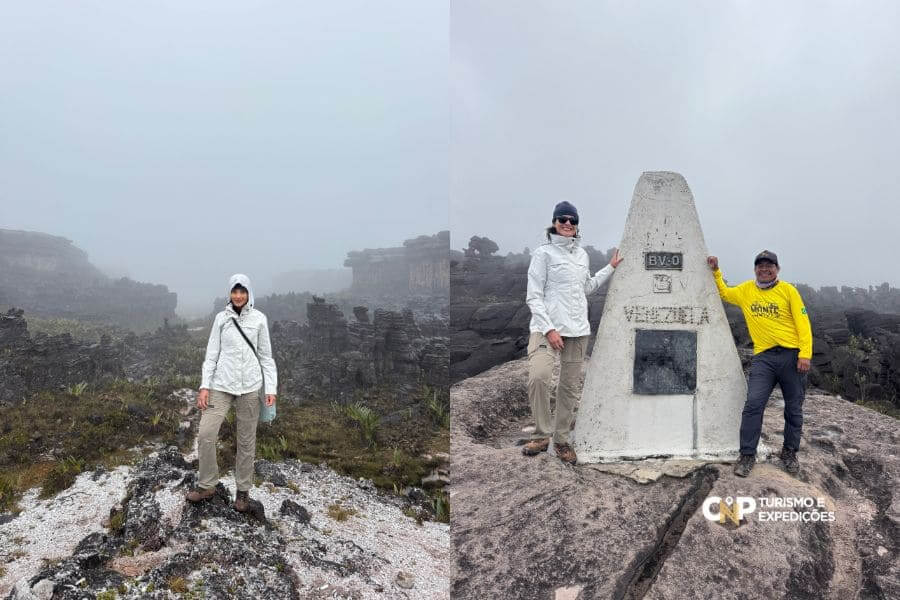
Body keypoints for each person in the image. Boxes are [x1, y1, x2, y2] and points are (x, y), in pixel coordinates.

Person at [522, 201, 623, 464]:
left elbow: (586, 287)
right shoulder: (543, 254)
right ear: (554, 223)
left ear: (577, 225)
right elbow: (534, 296)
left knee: (568, 387)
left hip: (578, 329)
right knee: (539, 377)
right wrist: (549, 329)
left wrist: (611, 267)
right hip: (546, 329)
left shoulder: (582, 255)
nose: (568, 223)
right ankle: (542, 435)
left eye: (572, 220)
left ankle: (562, 440)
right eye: (562, 219)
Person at [707, 251, 812, 477]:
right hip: (764, 358)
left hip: (791, 356)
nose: (765, 269)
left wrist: (805, 354)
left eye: (769, 266)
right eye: (760, 266)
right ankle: (747, 455)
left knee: (794, 408)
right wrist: (716, 271)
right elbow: (725, 293)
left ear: (777, 269)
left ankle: (789, 453)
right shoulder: (746, 290)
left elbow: (803, 323)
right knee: (753, 404)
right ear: (755, 269)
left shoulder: (789, 291)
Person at [186, 274, 277, 511]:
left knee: (246, 441)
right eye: (235, 291)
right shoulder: (221, 318)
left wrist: (271, 388)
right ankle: (207, 485)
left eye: (242, 291)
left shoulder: (259, 319)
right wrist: (204, 387)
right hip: (221, 384)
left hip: (250, 386)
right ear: (230, 293)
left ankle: (243, 492)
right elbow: (211, 355)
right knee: (206, 434)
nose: (238, 296)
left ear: (248, 293)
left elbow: (266, 357)